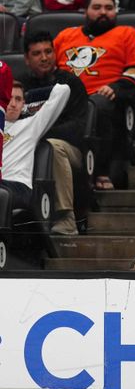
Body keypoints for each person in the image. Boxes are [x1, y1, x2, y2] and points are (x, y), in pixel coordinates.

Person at [53, 0, 135, 190]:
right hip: (66, 98)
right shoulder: (66, 36)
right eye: (96, 7)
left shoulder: (128, 34)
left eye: (109, 8)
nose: (103, 12)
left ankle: (99, 171)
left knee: (98, 105)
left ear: (116, 11)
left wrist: (116, 87)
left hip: (103, 98)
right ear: (86, 11)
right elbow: (49, 66)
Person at [19, 31, 89, 236]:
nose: (44, 57)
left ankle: (66, 219)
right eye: (37, 53)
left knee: (52, 147)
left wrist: (37, 133)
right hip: (28, 146)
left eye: (48, 51)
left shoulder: (70, 83)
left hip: (70, 149)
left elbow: (77, 127)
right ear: (26, 59)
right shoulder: (20, 86)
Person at [1, 82, 70, 214]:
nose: (13, 104)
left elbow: (63, 90)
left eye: (18, 99)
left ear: (23, 104)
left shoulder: (31, 125)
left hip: (18, 186)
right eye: (9, 98)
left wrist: (28, 97)